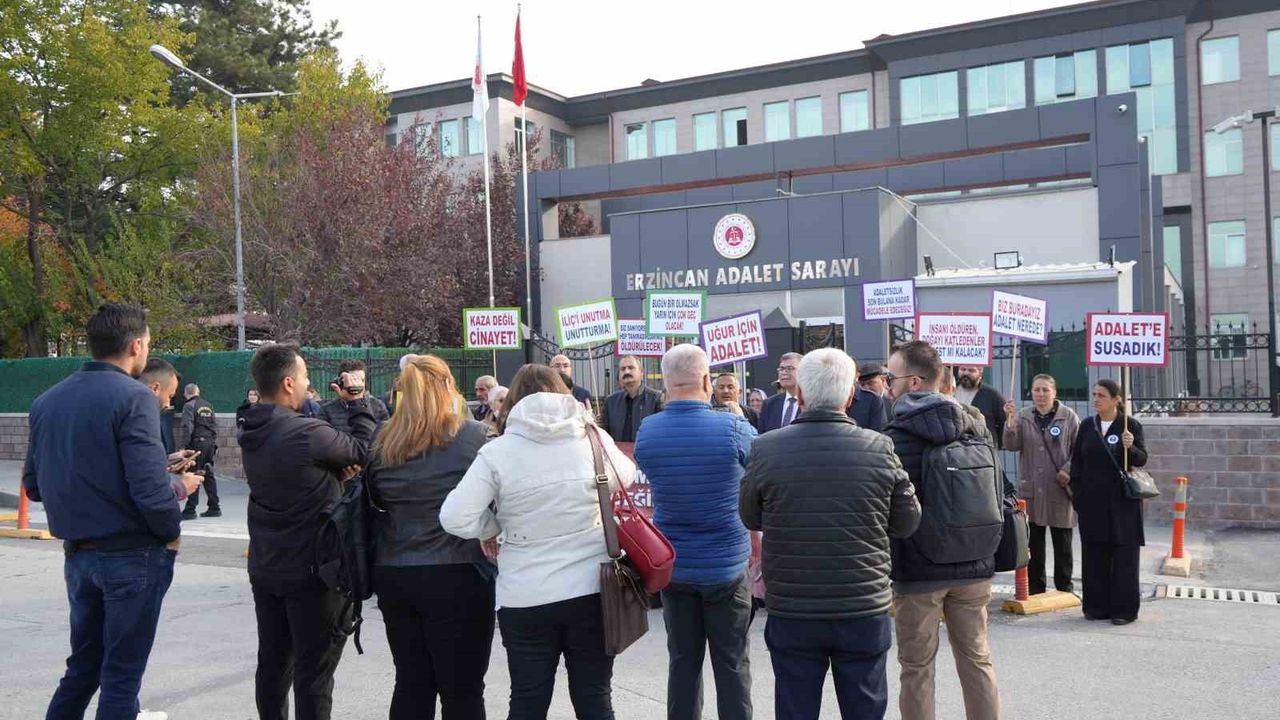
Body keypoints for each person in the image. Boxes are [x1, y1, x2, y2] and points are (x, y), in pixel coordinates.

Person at [23, 303, 199, 720]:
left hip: (79, 555)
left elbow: (34, 485)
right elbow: (147, 491)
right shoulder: (136, 397)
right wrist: (171, 527)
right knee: (121, 677)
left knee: (82, 669)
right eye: (148, 343)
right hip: (131, 555)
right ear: (136, 345)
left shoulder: (47, 400)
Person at [441, 364, 634, 720]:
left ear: (512, 401)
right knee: (595, 697)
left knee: (528, 700)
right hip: (592, 589)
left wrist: (490, 527)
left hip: (525, 593)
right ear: (564, 394)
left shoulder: (497, 452)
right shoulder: (593, 439)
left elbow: (454, 516)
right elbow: (628, 474)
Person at [741, 348, 921, 720]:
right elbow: (906, 522)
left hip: (794, 608)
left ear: (801, 395)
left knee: (795, 708)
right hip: (861, 606)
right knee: (865, 709)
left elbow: (750, 515)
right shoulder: (880, 449)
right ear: (851, 397)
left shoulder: (767, 448)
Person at [238, 344, 376, 720]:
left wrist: (330, 474)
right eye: (302, 377)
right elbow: (365, 449)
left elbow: (307, 472)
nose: (308, 384)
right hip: (311, 572)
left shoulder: (251, 427)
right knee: (314, 673)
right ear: (287, 383)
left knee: (273, 662)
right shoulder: (305, 432)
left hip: (268, 566)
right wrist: (358, 399)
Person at [366, 355, 495, 720]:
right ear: (446, 388)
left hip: (395, 571)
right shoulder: (474, 437)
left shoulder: (382, 439)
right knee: (463, 689)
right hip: (459, 571)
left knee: (411, 681)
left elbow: (374, 497)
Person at [634, 344, 757, 720]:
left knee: (683, 662)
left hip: (675, 567)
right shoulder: (733, 427)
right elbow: (762, 465)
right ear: (706, 380)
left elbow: (645, 464)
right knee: (732, 663)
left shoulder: (648, 430)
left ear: (667, 384)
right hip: (726, 567)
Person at [883, 340, 1003, 720]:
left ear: (914, 382)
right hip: (975, 562)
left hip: (919, 572)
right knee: (977, 660)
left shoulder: (895, 437)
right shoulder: (977, 427)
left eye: (891, 377)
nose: (888, 385)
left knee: (917, 669)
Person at [1070, 379, 1148, 625]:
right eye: (1094, 394)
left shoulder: (1130, 424)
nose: (1096, 399)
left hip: (1122, 503)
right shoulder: (1087, 426)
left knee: (1124, 556)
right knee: (1094, 554)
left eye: (1101, 395)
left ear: (1116, 399)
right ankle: (1095, 607)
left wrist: (1131, 446)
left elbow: (1142, 459)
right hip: (1092, 502)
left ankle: (1123, 610)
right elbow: (1077, 463)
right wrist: (1078, 495)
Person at [1002, 374, 1081, 595]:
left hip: (1058, 487)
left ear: (1054, 392)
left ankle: (1065, 586)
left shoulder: (1069, 417)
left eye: (1045, 390)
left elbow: (1080, 450)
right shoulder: (1023, 416)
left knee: (1062, 541)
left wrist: (1068, 469)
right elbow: (1011, 445)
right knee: (1034, 542)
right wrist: (1009, 423)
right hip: (1032, 488)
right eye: (1036, 390)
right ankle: (1037, 587)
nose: (1040, 394)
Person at [139, 359, 205, 504]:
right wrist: (179, 486)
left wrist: (167, 461)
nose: (168, 405)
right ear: (155, 388)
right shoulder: (136, 423)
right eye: (169, 397)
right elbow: (141, 482)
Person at [176, 383, 221, 519]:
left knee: (193, 473)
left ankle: (190, 510)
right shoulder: (208, 405)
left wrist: (184, 446)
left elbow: (187, 427)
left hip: (196, 443)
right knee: (208, 474)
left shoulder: (189, 406)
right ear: (198, 392)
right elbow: (214, 425)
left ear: (186, 393)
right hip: (209, 443)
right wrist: (212, 442)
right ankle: (214, 507)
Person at [600, 355, 664, 443]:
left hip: (645, 454)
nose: (626, 371)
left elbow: (662, 433)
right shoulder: (610, 402)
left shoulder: (656, 399)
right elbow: (602, 434)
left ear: (641, 373)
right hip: (617, 455)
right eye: (623, 369)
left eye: (631, 367)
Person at [319, 359, 391, 431]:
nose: (358, 384)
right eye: (353, 380)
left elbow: (385, 434)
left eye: (361, 380)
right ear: (341, 382)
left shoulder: (377, 406)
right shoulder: (327, 410)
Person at [954, 366, 1007, 448]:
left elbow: (1003, 423)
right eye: (963, 369)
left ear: (980, 372)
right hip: (955, 450)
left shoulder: (992, 395)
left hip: (983, 451)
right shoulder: (949, 391)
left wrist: (993, 445)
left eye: (971, 370)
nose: (966, 373)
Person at [759, 352, 803, 432]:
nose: (784, 372)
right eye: (781, 369)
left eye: (790, 368)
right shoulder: (769, 404)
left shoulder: (811, 403)